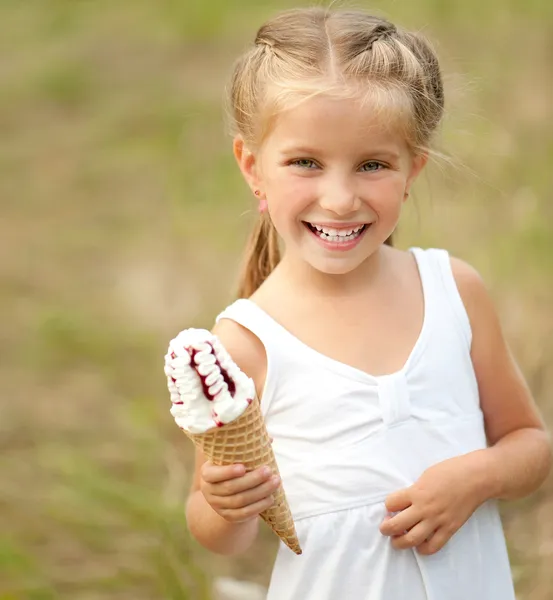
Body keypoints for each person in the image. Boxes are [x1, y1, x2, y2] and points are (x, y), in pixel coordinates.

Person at [184, 7, 552, 599]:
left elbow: (531, 446)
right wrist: (225, 505)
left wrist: (476, 475)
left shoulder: (453, 291)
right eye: (305, 162)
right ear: (253, 168)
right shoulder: (245, 343)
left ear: (412, 170)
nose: (338, 199)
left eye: (372, 165)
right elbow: (219, 536)